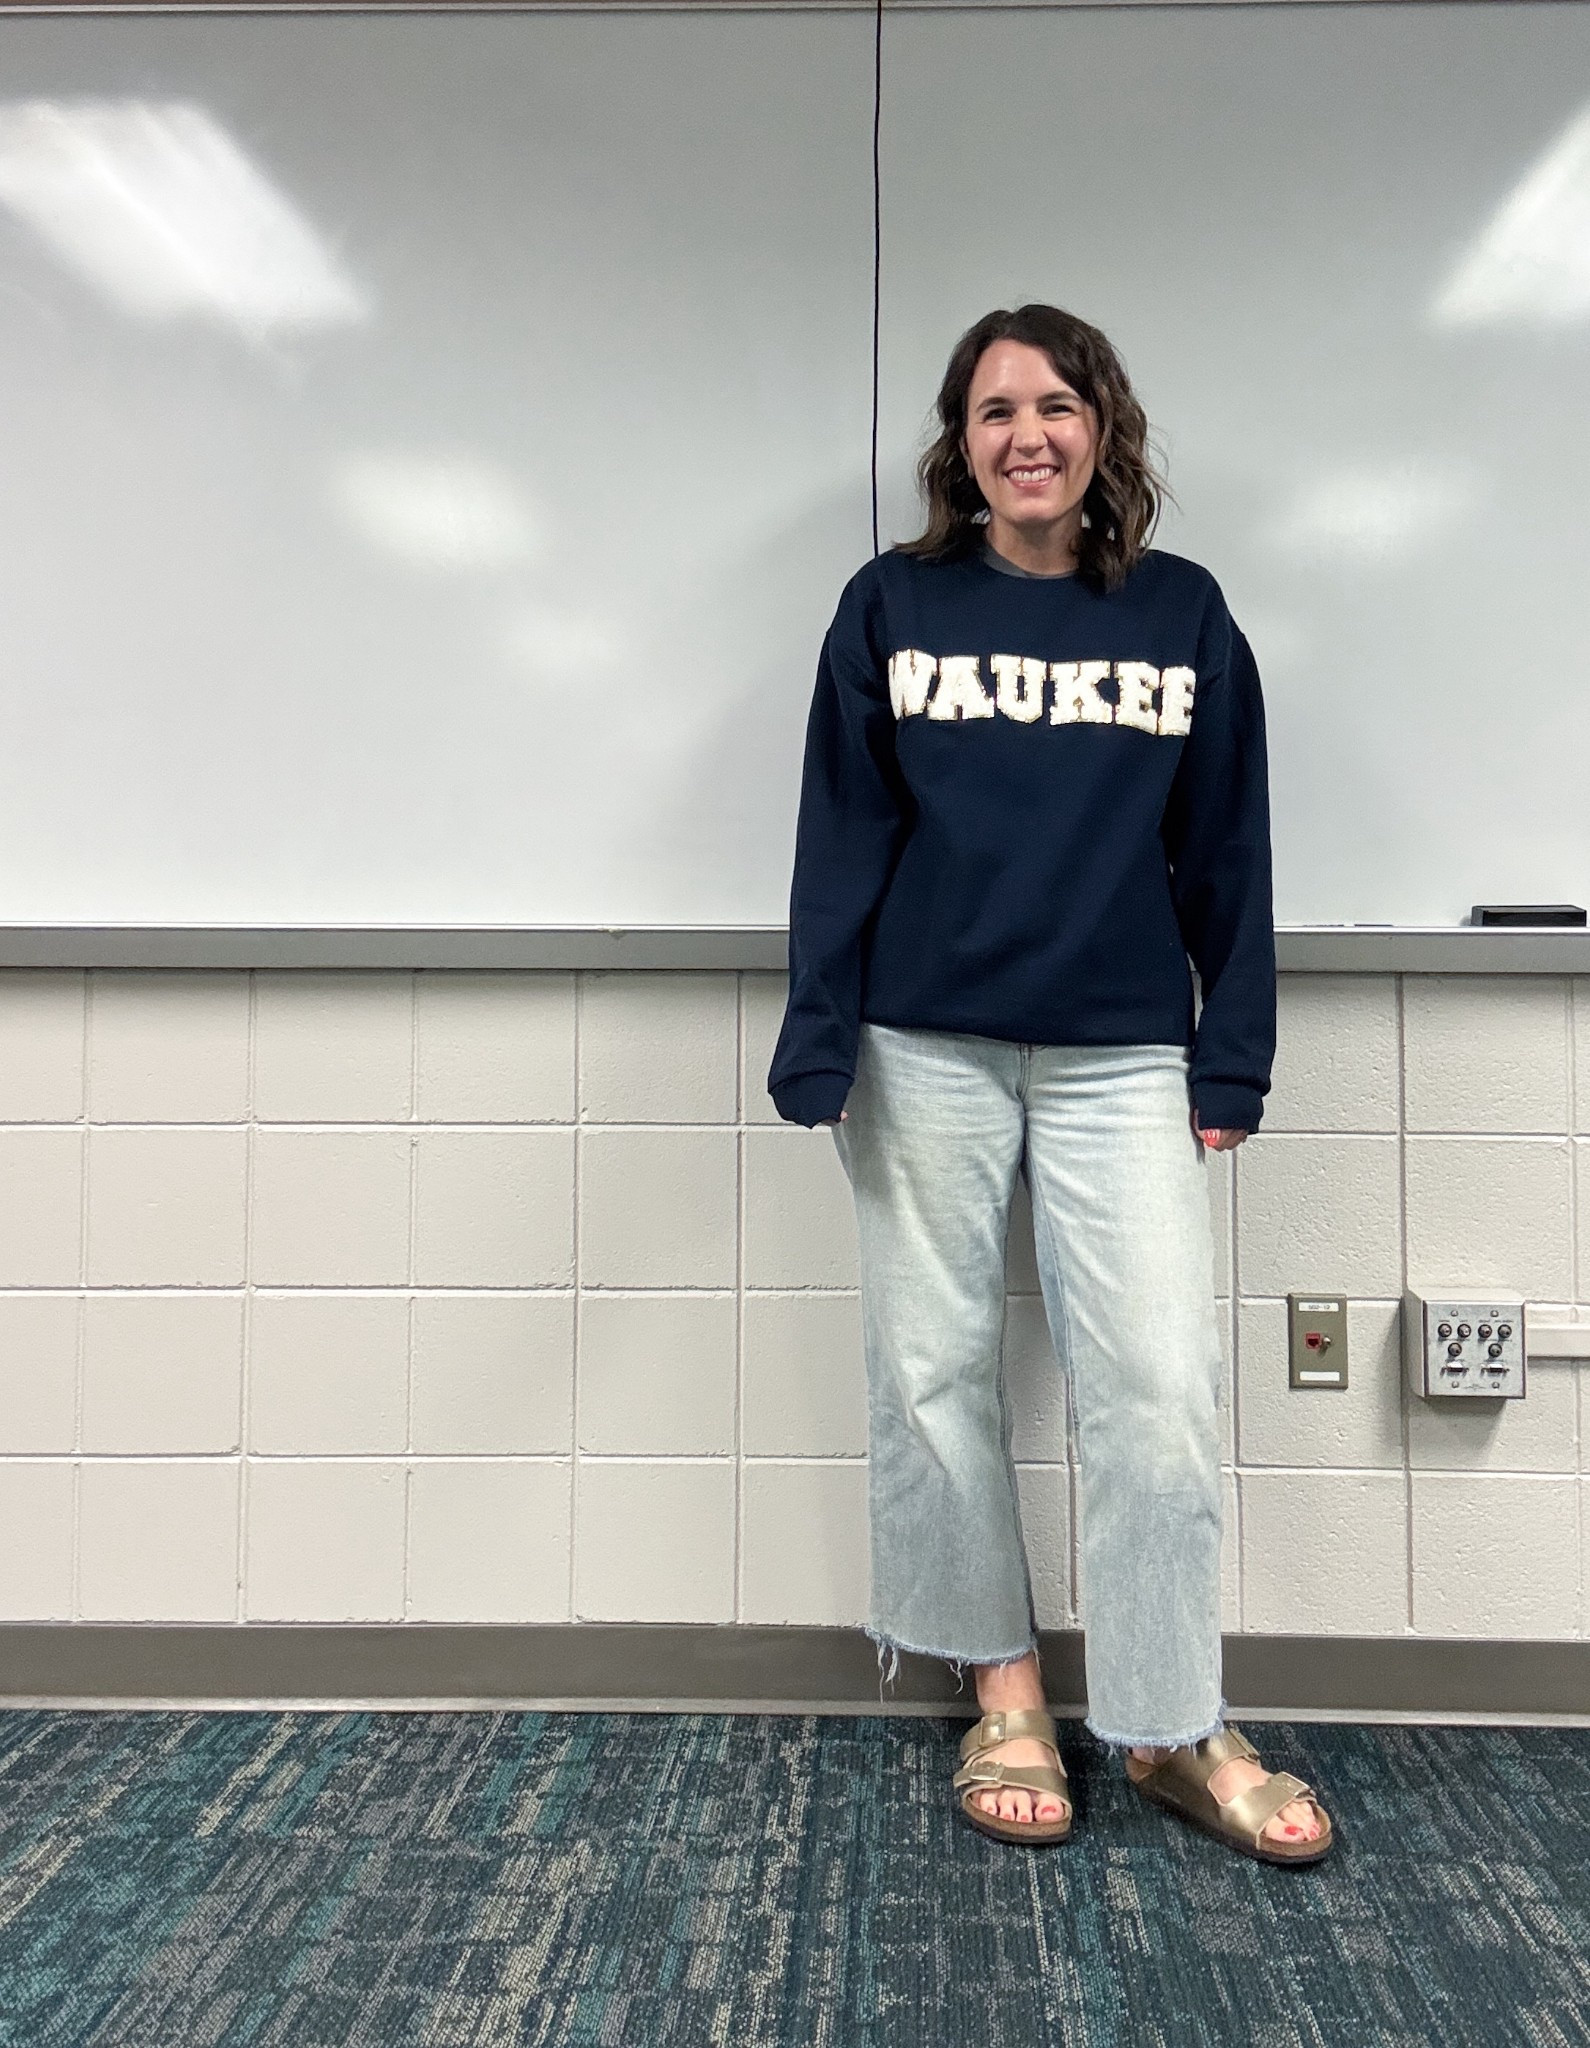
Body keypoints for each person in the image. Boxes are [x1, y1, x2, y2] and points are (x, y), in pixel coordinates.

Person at [766, 304, 1332, 1864]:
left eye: (1057, 405)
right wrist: (817, 1031)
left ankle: (1165, 1723)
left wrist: (1234, 1048)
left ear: (1102, 431)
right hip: (919, 1044)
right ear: (960, 445)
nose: (1027, 435)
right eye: (995, 410)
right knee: (931, 1375)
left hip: (1121, 1053)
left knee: (1155, 1388)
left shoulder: (1180, 613)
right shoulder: (890, 606)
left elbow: (1227, 844)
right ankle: (1002, 1691)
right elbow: (841, 833)